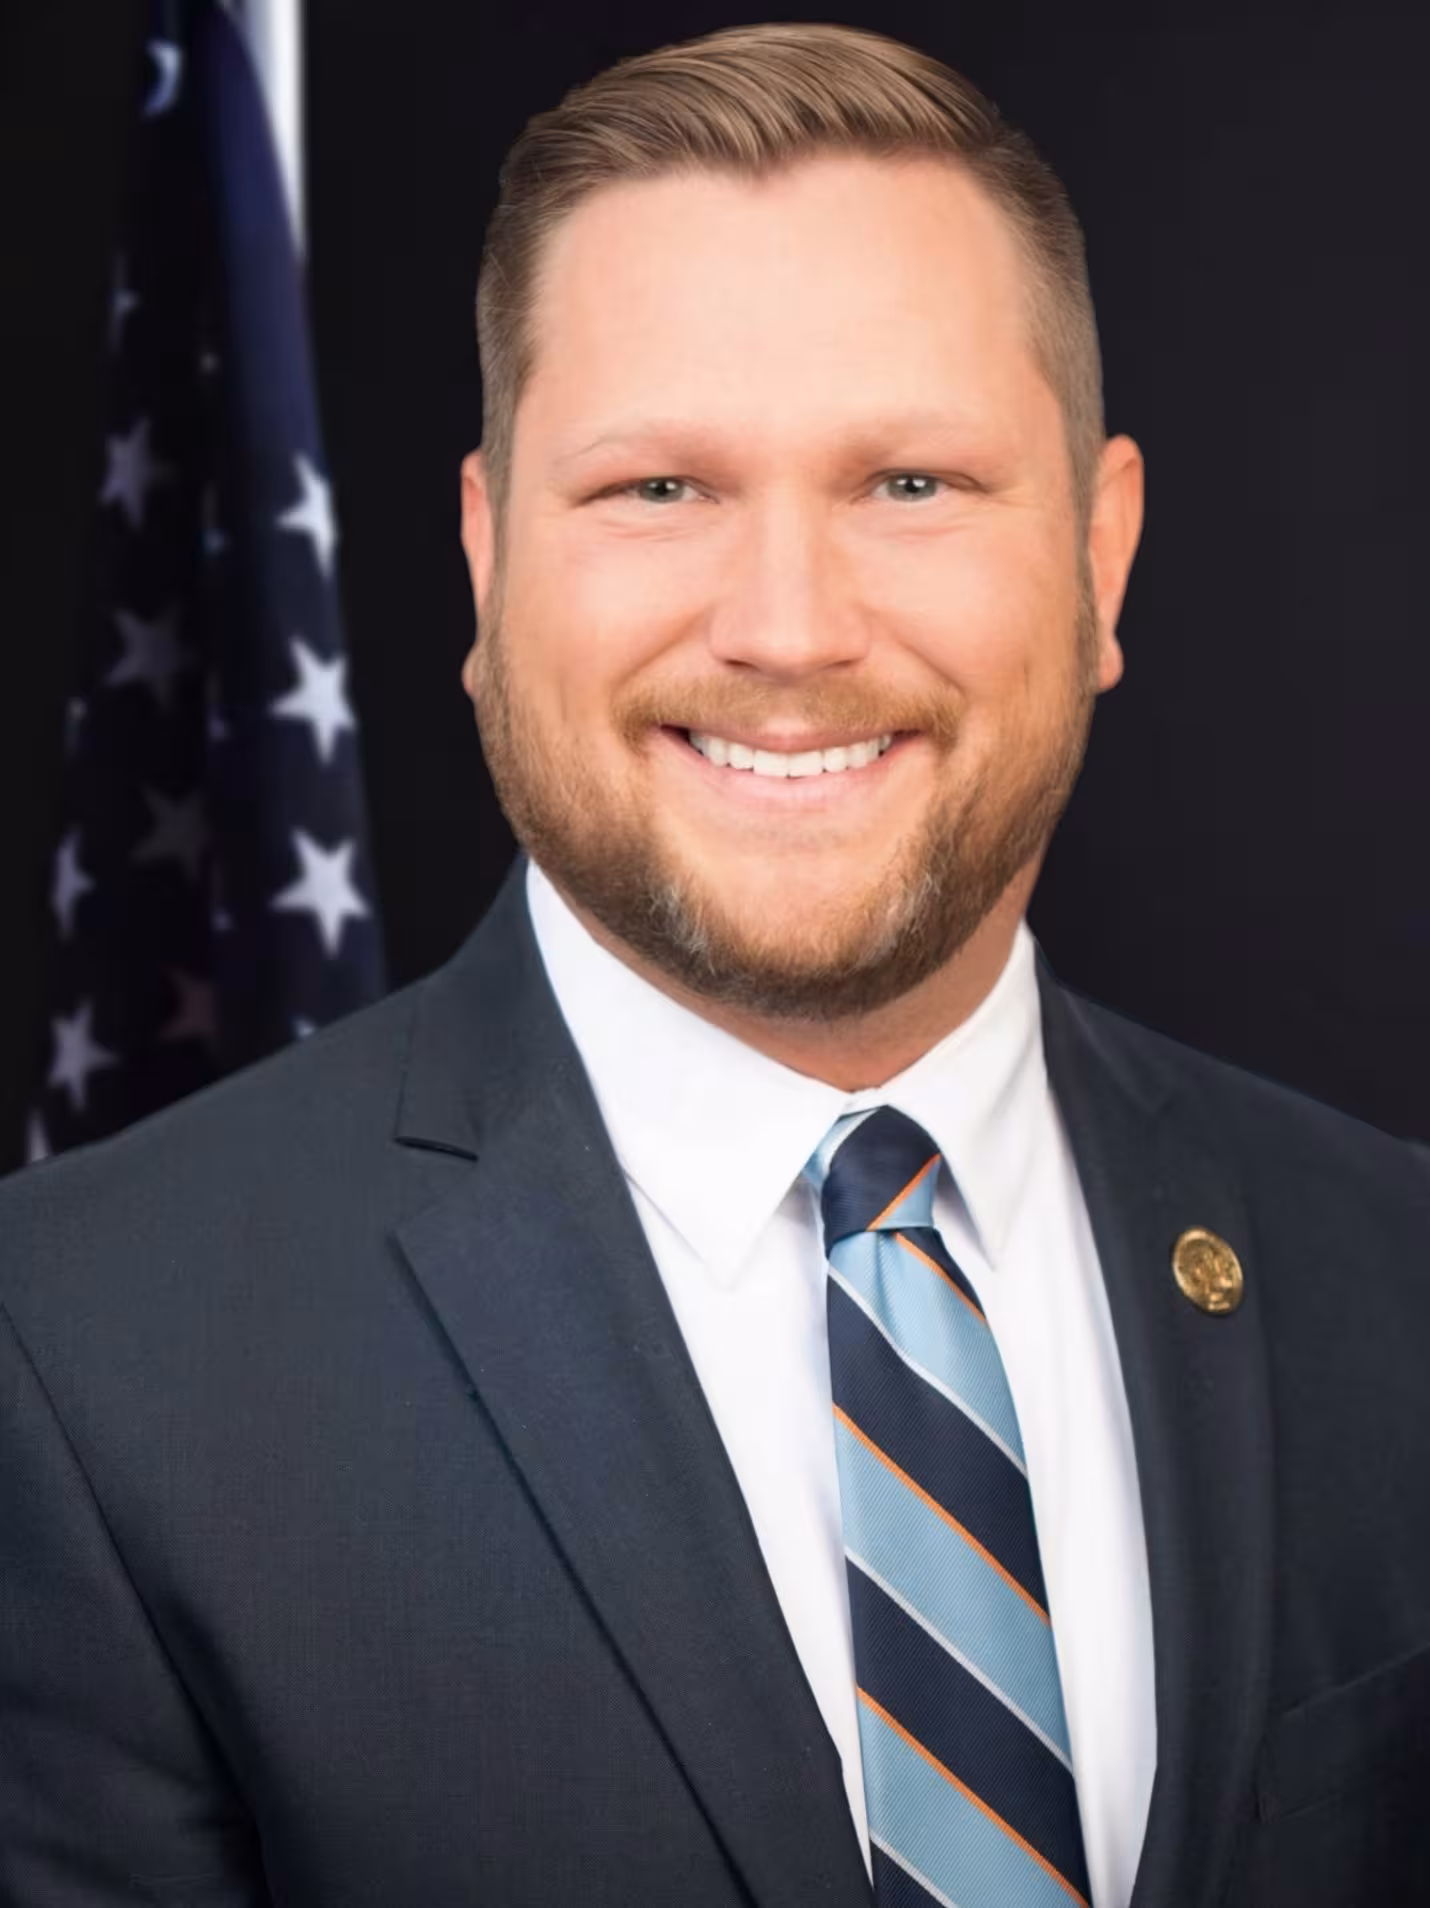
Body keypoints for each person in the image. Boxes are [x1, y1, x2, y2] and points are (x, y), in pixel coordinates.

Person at [2, 20, 1428, 1907]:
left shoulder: (1391, 1276)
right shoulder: (73, 1355)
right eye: (657, 489)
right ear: (488, 559)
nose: (784, 627)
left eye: (910, 482)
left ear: (1099, 559)